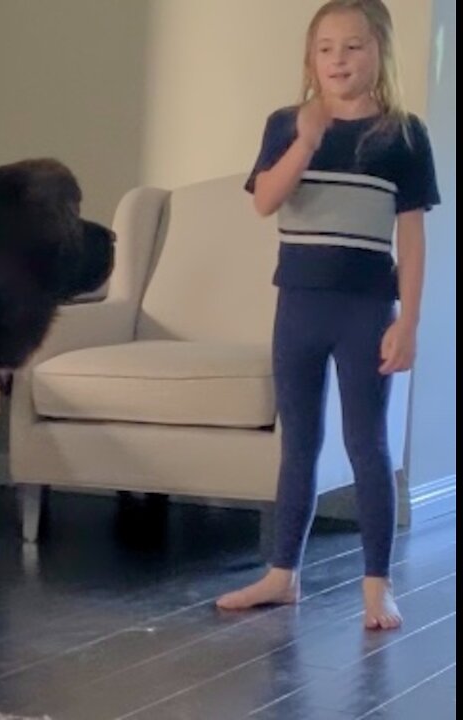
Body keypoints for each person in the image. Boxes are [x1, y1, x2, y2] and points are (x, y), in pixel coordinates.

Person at [216, 0, 439, 630]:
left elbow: (413, 238)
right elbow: (264, 201)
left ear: (380, 54)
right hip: (299, 307)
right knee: (300, 442)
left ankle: (377, 584)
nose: (340, 59)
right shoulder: (287, 124)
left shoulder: (402, 134)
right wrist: (308, 139)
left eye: (355, 46)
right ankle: (282, 576)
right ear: (310, 58)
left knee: (367, 443)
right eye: (326, 48)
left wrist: (409, 321)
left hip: (367, 309)